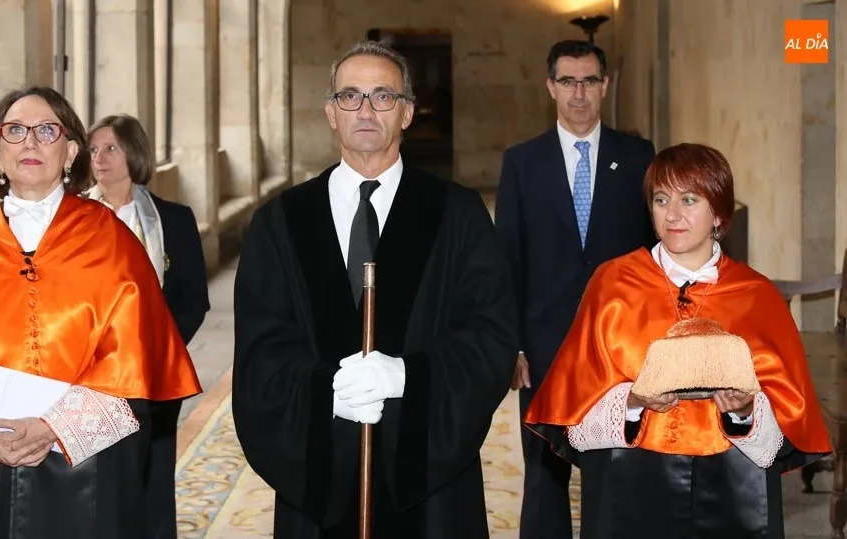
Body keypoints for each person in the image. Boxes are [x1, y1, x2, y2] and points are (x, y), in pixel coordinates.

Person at [232, 40, 518, 538]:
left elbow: (490, 335)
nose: (365, 111)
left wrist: (409, 377)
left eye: (383, 96)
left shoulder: (457, 213)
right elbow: (261, 350)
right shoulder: (280, 222)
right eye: (350, 96)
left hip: (428, 481)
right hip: (320, 475)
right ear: (331, 112)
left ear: (406, 113)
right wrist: (324, 393)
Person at [0, 86, 202, 539]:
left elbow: (138, 365)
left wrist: (54, 426)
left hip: (91, 472)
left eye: (46, 130)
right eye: (15, 130)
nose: (30, 142)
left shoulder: (112, 240)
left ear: (70, 152)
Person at [524, 143, 832, 538]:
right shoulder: (612, 283)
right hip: (630, 486)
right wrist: (633, 401)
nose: (672, 214)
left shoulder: (758, 296)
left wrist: (743, 411)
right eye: (661, 199)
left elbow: (784, 426)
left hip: (734, 489)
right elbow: (577, 418)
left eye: (689, 199)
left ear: (718, 213)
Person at [493, 39, 657, 539]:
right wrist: (512, 345)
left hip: (618, 346)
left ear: (605, 86)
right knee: (545, 473)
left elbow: (652, 254)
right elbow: (507, 259)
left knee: (613, 466)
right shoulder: (522, 162)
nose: (579, 93)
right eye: (568, 81)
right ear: (551, 87)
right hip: (543, 344)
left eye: (588, 81)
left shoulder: (638, 157)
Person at [85, 113, 210, 539]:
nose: (100, 158)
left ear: (134, 153)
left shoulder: (173, 219)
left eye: (111, 148)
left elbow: (194, 298)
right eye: (93, 150)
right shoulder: (73, 220)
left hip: (156, 372)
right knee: (99, 485)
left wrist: (161, 350)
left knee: (154, 481)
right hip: (91, 378)